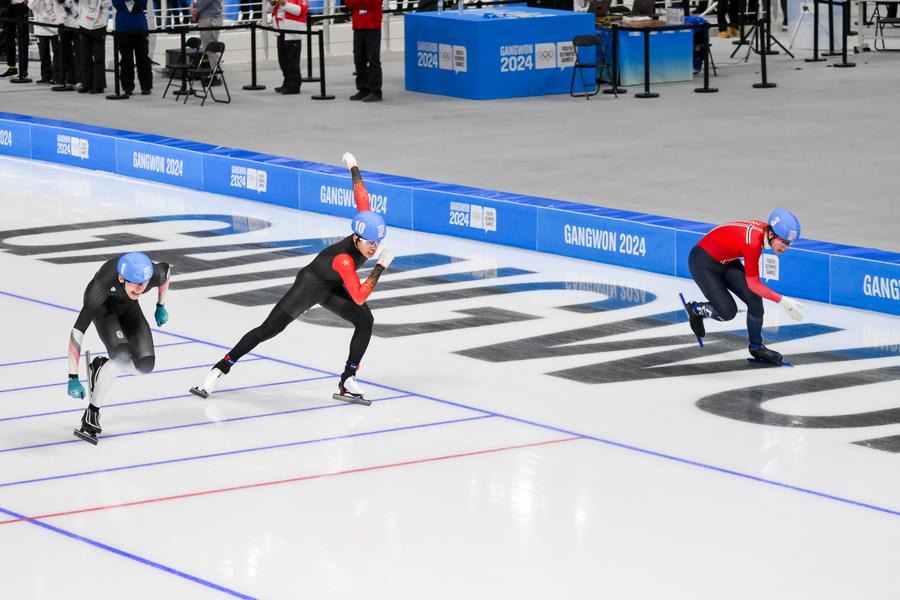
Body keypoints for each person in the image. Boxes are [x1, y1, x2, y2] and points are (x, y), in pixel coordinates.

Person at [190, 152, 394, 404]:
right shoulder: (344, 260)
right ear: (357, 237)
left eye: (378, 243)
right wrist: (380, 267)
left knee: (365, 320)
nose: (374, 248)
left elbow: (361, 194)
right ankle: (221, 368)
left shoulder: (366, 223)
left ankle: (348, 378)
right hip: (310, 285)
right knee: (268, 329)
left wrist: (353, 166)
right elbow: (359, 296)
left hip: (332, 286)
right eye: (370, 243)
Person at [68, 252, 171, 444]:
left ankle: (100, 367)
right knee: (121, 355)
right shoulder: (102, 284)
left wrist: (160, 305)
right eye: (135, 283)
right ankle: (92, 413)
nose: (140, 288)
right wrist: (72, 377)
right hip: (104, 310)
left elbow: (167, 272)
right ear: (121, 278)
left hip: (129, 308)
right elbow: (78, 331)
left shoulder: (153, 274)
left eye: (144, 283)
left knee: (146, 365)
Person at [681, 209, 805, 365]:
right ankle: (695, 309)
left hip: (726, 260)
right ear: (772, 234)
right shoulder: (753, 243)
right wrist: (782, 300)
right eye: (784, 242)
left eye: (789, 244)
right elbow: (754, 284)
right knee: (727, 312)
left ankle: (756, 348)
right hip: (702, 263)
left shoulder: (763, 234)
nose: (786, 247)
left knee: (754, 300)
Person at [112, 0, 153, 95]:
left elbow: (142, 4)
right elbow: (117, 4)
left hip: (140, 28)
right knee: (126, 60)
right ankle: (127, 87)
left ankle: (146, 86)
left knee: (143, 58)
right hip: (123, 28)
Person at [344, 0, 382, 102]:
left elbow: (375, 3)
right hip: (358, 26)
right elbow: (348, 4)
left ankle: (376, 91)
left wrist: (358, 3)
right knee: (359, 59)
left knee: (373, 59)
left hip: (372, 27)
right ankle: (363, 88)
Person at [77, 0, 112, 93]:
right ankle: (86, 83)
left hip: (99, 25)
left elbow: (107, 4)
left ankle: (98, 85)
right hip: (84, 23)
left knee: (98, 57)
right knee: (85, 56)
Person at [272, 0, 306, 95]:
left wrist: (284, 4)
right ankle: (287, 82)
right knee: (282, 60)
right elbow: (270, 10)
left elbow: (300, 10)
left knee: (292, 61)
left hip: (293, 32)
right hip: (280, 31)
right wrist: (272, 3)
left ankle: (295, 85)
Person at [190, 0, 223, 86]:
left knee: (211, 49)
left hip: (210, 19)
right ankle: (215, 74)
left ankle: (216, 75)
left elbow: (206, 1)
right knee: (209, 49)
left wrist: (195, 9)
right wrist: (193, 7)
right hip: (209, 18)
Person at [33, 0, 61, 84]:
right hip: (40, 29)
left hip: (55, 27)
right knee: (43, 54)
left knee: (57, 52)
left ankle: (57, 77)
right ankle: (46, 76)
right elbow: (30, 5)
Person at [1, 0, 28, 79]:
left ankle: (23, 70)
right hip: (7, 6)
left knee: (23, 39)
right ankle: (12, 68)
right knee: (8, 38)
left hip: (21, 5)